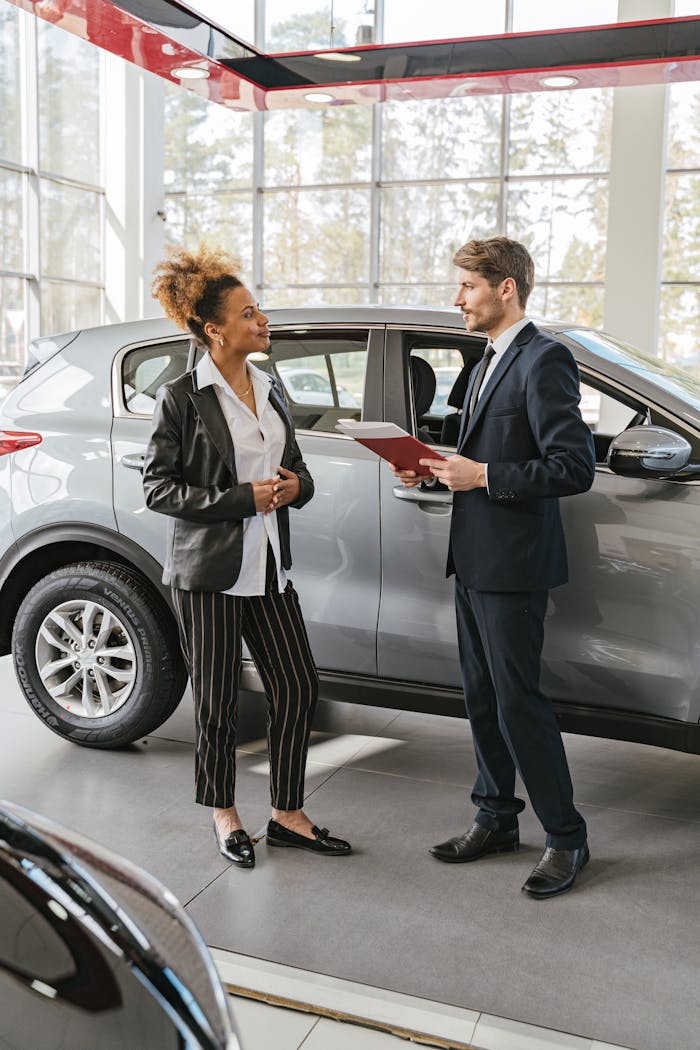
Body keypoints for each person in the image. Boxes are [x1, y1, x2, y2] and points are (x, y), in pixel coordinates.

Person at [392, 237, 595, 899]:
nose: (457, 300)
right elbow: (478, 454)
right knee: (480, 698)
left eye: (468, 287)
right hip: (473, 557)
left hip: (514, 564)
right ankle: (496, 818)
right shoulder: (483, 363)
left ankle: (566, 837)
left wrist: (484, 475)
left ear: (506, 288)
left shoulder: (545, 360)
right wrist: (431, 467)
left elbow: (574, 468)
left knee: (518, 702)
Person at [143, 245, 351, 868]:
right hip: (208, 574)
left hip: (270, 568)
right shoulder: (181, 397)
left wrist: (295, 488)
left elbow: (301, 472)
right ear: (215, 330)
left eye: (258, 310)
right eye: (249, 312)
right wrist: (241, 497)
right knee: (217, 698)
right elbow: (159, 487)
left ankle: (287, 813)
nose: (263, 321)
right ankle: (224, 814)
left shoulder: (272, 387)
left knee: (297, 686)